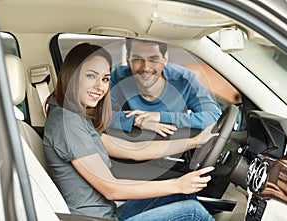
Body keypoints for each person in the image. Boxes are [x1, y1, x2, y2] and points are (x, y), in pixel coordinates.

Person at [43, 43, 217, 221]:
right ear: (71, 75)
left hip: (107, 213)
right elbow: (111, 189)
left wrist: (194, 141)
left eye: (104, 79)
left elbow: (132, 150)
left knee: (181, 197)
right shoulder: (68, 123)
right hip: (95, 218)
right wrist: (178, 184)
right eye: (90, 76)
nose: (100, 87)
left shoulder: (77, 118)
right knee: (193, 211)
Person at [110, 38, 222, 137]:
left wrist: (160, 117)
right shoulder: (118, 77)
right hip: (129, 148)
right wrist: (135, 121)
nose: (146, 67)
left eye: (153, 59)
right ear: (128, 60)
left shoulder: (184, 79)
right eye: (138, 59)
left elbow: (212, 115)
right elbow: (97, 114)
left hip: (173, 152)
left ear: (165, 59)